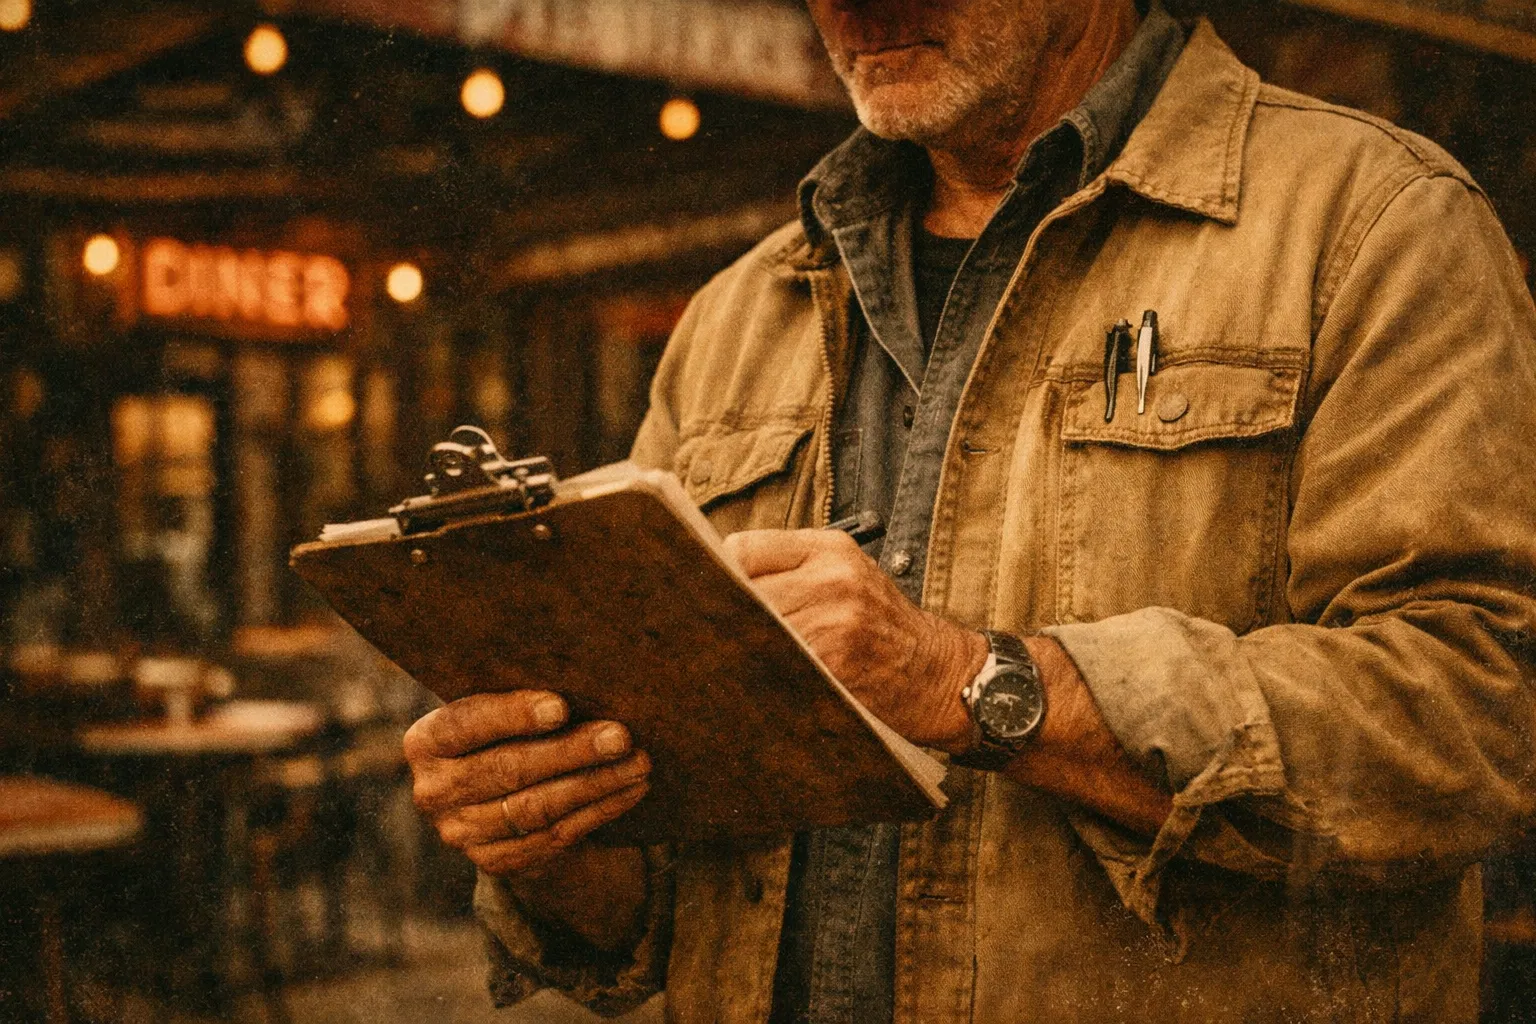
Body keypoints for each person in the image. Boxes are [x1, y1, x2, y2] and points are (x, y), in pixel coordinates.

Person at [402, 0, 1536, 1020]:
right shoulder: (735, 318)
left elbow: (1478, 724)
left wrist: (975, 684)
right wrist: (551, 836)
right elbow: (664, 907)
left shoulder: (1374, 226)